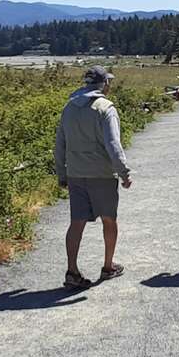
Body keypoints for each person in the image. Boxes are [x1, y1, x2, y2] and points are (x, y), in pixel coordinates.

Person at [54, 65, 133, 289]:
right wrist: (124, 172)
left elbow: (60, 145)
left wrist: (62, 173)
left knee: (76, 222)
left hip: (76, 174)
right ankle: (108, 266)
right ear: (103, 84)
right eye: (108, 81)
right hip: (102, 174)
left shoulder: (68, 108)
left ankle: (72, 270)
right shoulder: (105, 108)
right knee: (109, 220)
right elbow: (113, 144)